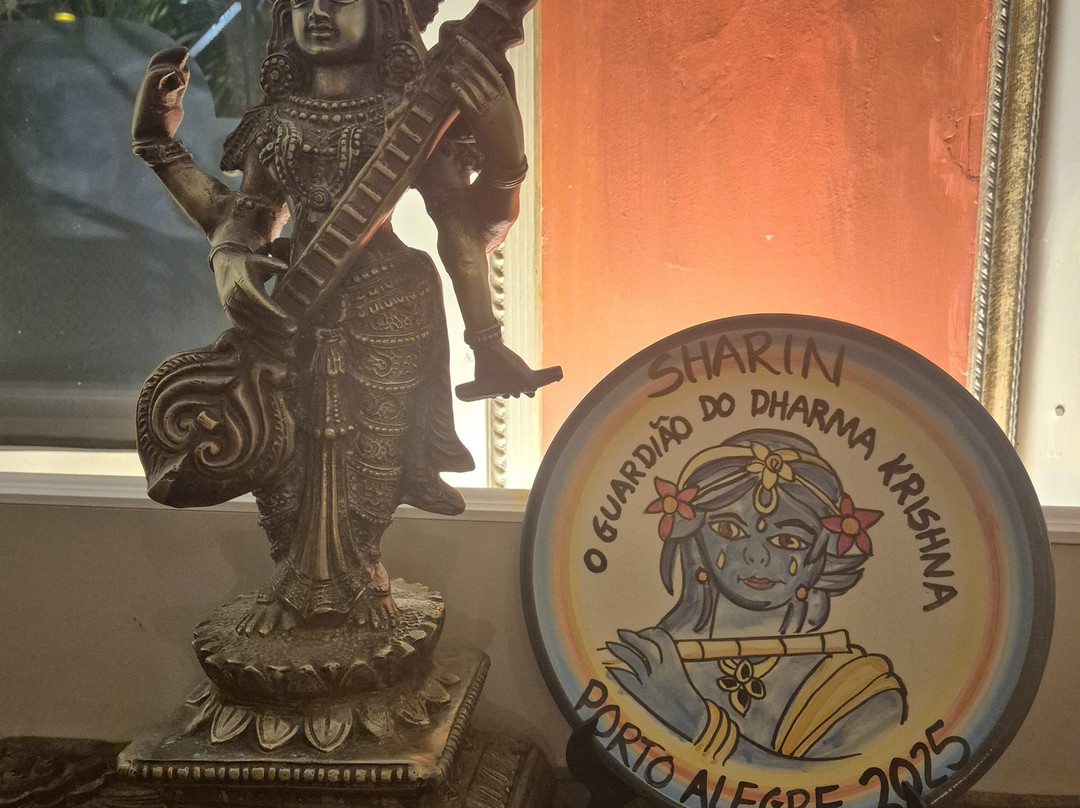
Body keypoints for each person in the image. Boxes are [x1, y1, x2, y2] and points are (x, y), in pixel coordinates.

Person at [130, 0, 555, 634]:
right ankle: (291, 577)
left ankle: (362, 571)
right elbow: (243, 218)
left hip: (389, 303)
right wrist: (159, 149)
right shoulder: (277, 121)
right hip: (290, 308)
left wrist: (505, 160)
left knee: (375, 447)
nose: (318, 13)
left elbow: (464, 227)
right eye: (302, 2)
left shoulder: (407, 111)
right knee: (282, 448)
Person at [607, 429, 907, 765]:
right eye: (729, 529)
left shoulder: (857, 692)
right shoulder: (649, 661)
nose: (756, 555)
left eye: (788, 540)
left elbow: (839, 785)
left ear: (820, 559)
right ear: (694, 535)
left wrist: (695, 721)